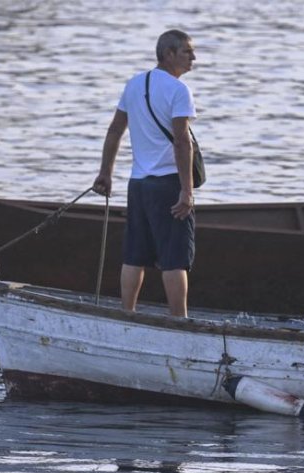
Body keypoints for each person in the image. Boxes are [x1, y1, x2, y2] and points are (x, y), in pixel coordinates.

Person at [92, 29, 198, 317]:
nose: (194, 58)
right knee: (175, 259)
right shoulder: (179, 91)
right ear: (169, 54)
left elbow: (115, 130)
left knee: (134, 255)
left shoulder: (134, 84)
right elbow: (182, 141)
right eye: (187, 52)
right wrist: (187, 191)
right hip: (167, 184)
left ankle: (127, 315)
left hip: (138, 184)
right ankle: (180, 323)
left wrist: (106, 173)